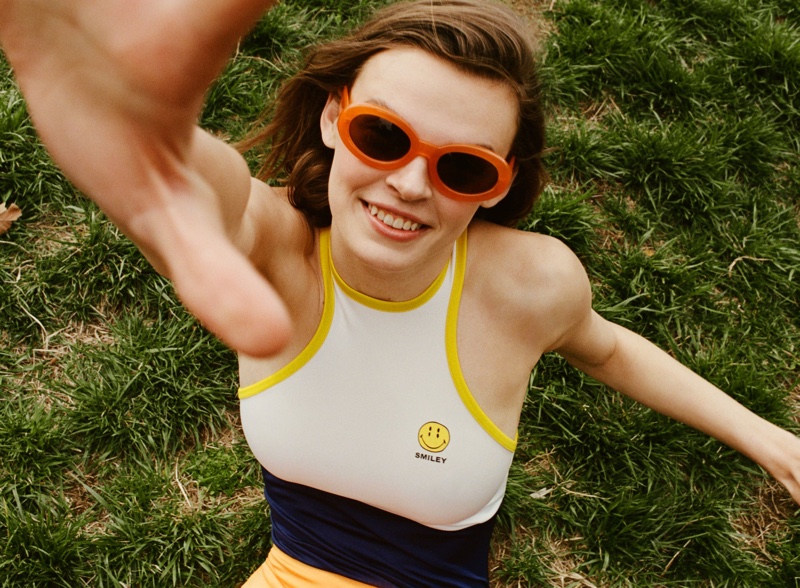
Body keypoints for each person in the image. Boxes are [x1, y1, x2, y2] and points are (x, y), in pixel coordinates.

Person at [1, 0, 798, 586]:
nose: (412, 184)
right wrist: (145, 131)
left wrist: (770, 440)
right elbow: (212, 187)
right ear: (330, 120)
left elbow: (609, 346)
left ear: (498, 186)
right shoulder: (275, 250)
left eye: (463, 167)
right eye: (382, 136)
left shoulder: (530, 284)